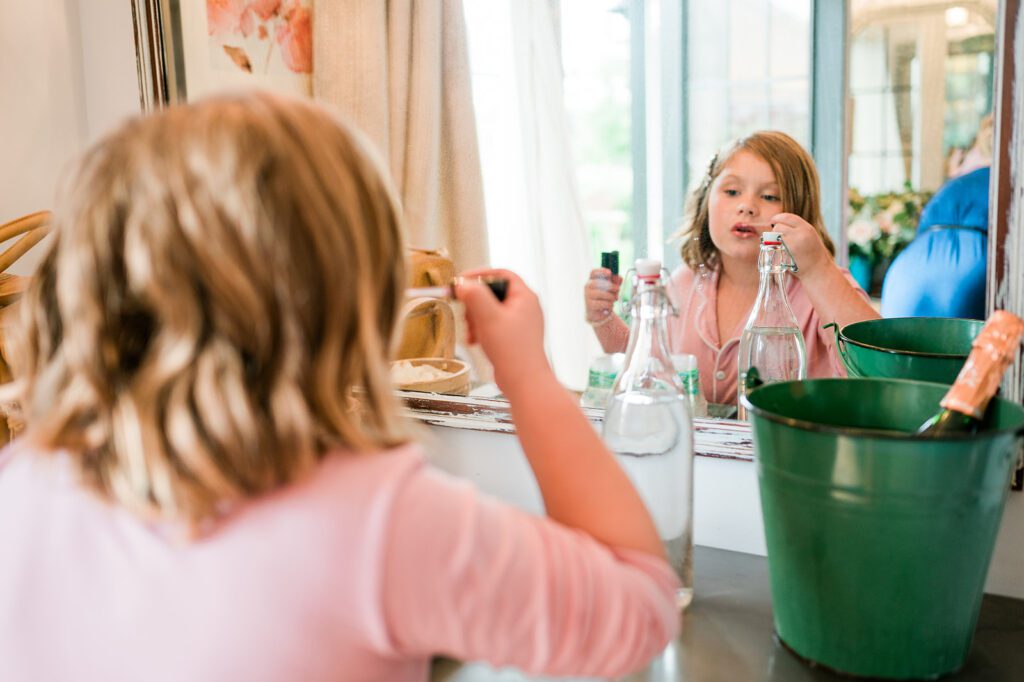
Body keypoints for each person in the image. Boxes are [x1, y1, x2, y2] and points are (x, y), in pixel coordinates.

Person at [0, 92, 678, 681]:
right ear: (347, 295)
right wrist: (526, 372)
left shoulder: (20, 483)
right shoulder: (383, 525)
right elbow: (643, 606)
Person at [584, 131, 879, 406]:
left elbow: (877, 371)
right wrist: (604, 318)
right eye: (732, 191)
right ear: (706, 201)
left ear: (799, 212)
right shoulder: (687, 282)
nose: (747, 206)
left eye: (769, 196)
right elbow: (646, 366)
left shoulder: (822, 285)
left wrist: (817, 269)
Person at [881, 116, 993, 320]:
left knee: (902, 346)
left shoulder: (963, 174)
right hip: (972, 264)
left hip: (907, 268)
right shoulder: (1001, 174)